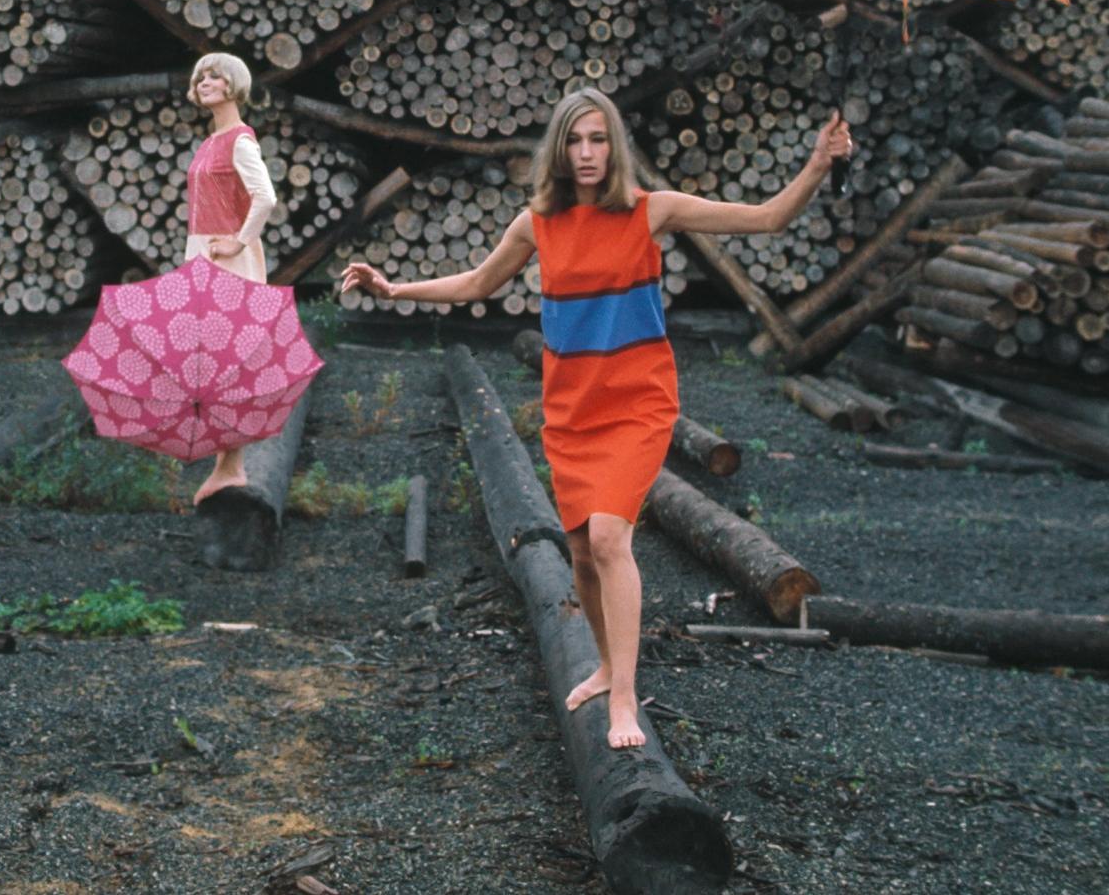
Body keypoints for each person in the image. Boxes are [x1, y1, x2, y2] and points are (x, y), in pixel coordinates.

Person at [340, 87, 851, 748]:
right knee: (580, 550)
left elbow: (770, 217)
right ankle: (606, 666)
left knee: (611, 540)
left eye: (598, 140)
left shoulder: (651, 211)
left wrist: (817, 163)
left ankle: (626, 699)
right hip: (571, 409)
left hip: (638, 404)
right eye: (575, 141)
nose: (586, 153)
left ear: (616, 148)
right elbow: (474, 284)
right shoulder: (537, 224)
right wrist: (394, 288)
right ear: (559, 149)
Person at [184, 52, 278, 505]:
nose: (205, 80)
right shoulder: (211, 141)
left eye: (215, 74)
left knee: (226, 361)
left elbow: (265, 198)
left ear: (233, 84)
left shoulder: (240, 139)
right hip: (203, 253)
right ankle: (225, 463)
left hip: (229, 260)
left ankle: (231, 467)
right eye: (201, 74)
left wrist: (239, 243)